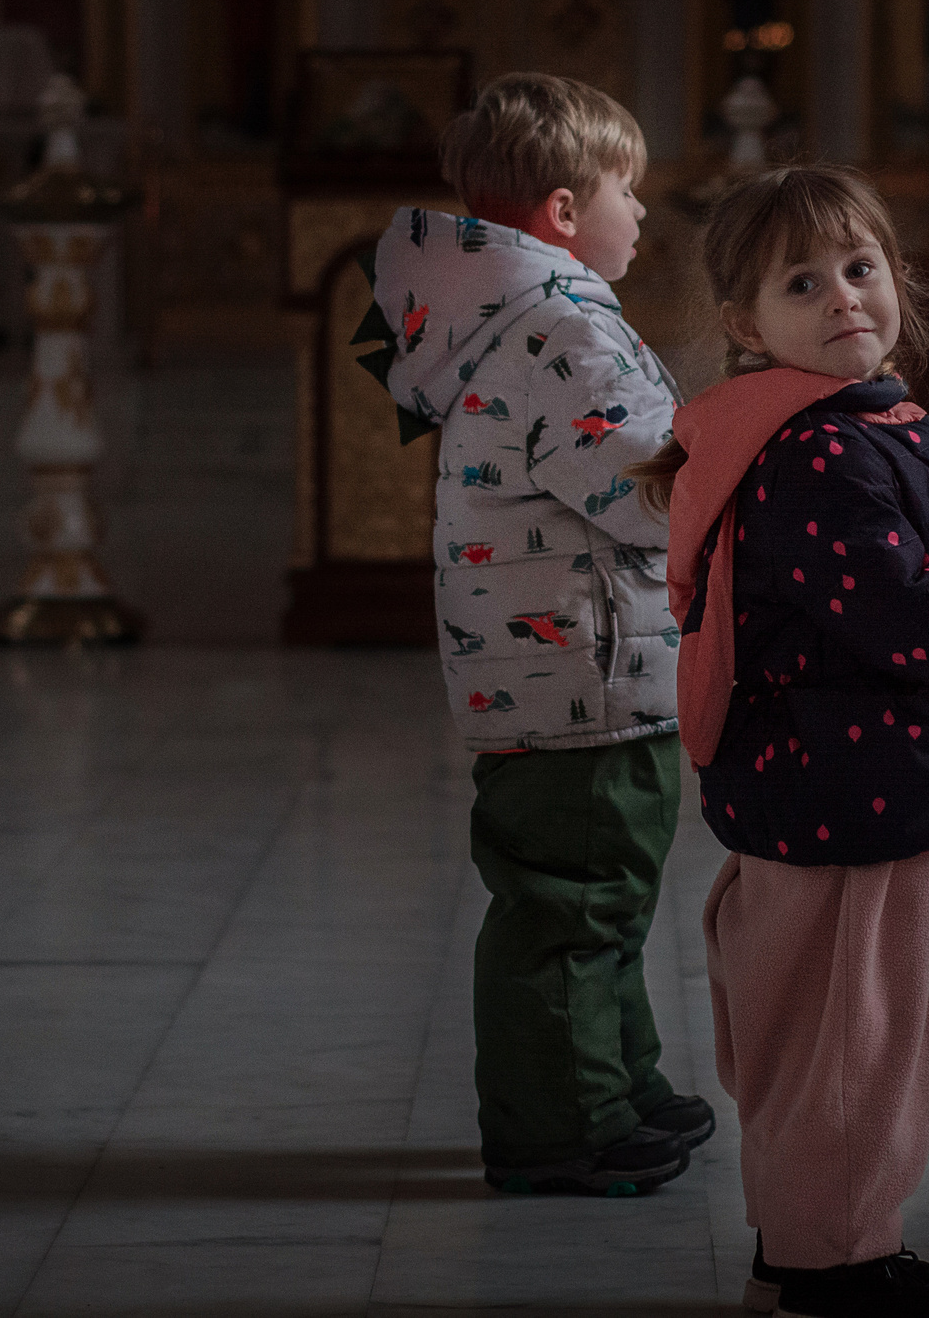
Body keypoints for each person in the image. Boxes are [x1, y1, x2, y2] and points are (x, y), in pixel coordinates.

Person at [630, 165, 929, 1318]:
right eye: (805, 281)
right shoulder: (817, 454)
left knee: (868, 1037)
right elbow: (907, 618)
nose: (844, 296)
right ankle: (809, 1269)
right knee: (841, 1043)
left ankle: (846, 1241)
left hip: (881, 782)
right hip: (840, 792)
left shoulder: (865, 420)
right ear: (747, 326)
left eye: (860, 266)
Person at [370, 72, 711, 1197]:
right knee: (574, 900)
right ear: (563, 212)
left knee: (602, 889)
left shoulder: (491, 313)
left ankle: (617, 1082)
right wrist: (735, 452)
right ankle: (561, 1125)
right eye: (630, 191)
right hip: (584, 671)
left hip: (557, 667)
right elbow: (642, 491)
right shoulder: (558, 324)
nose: (644, 214)